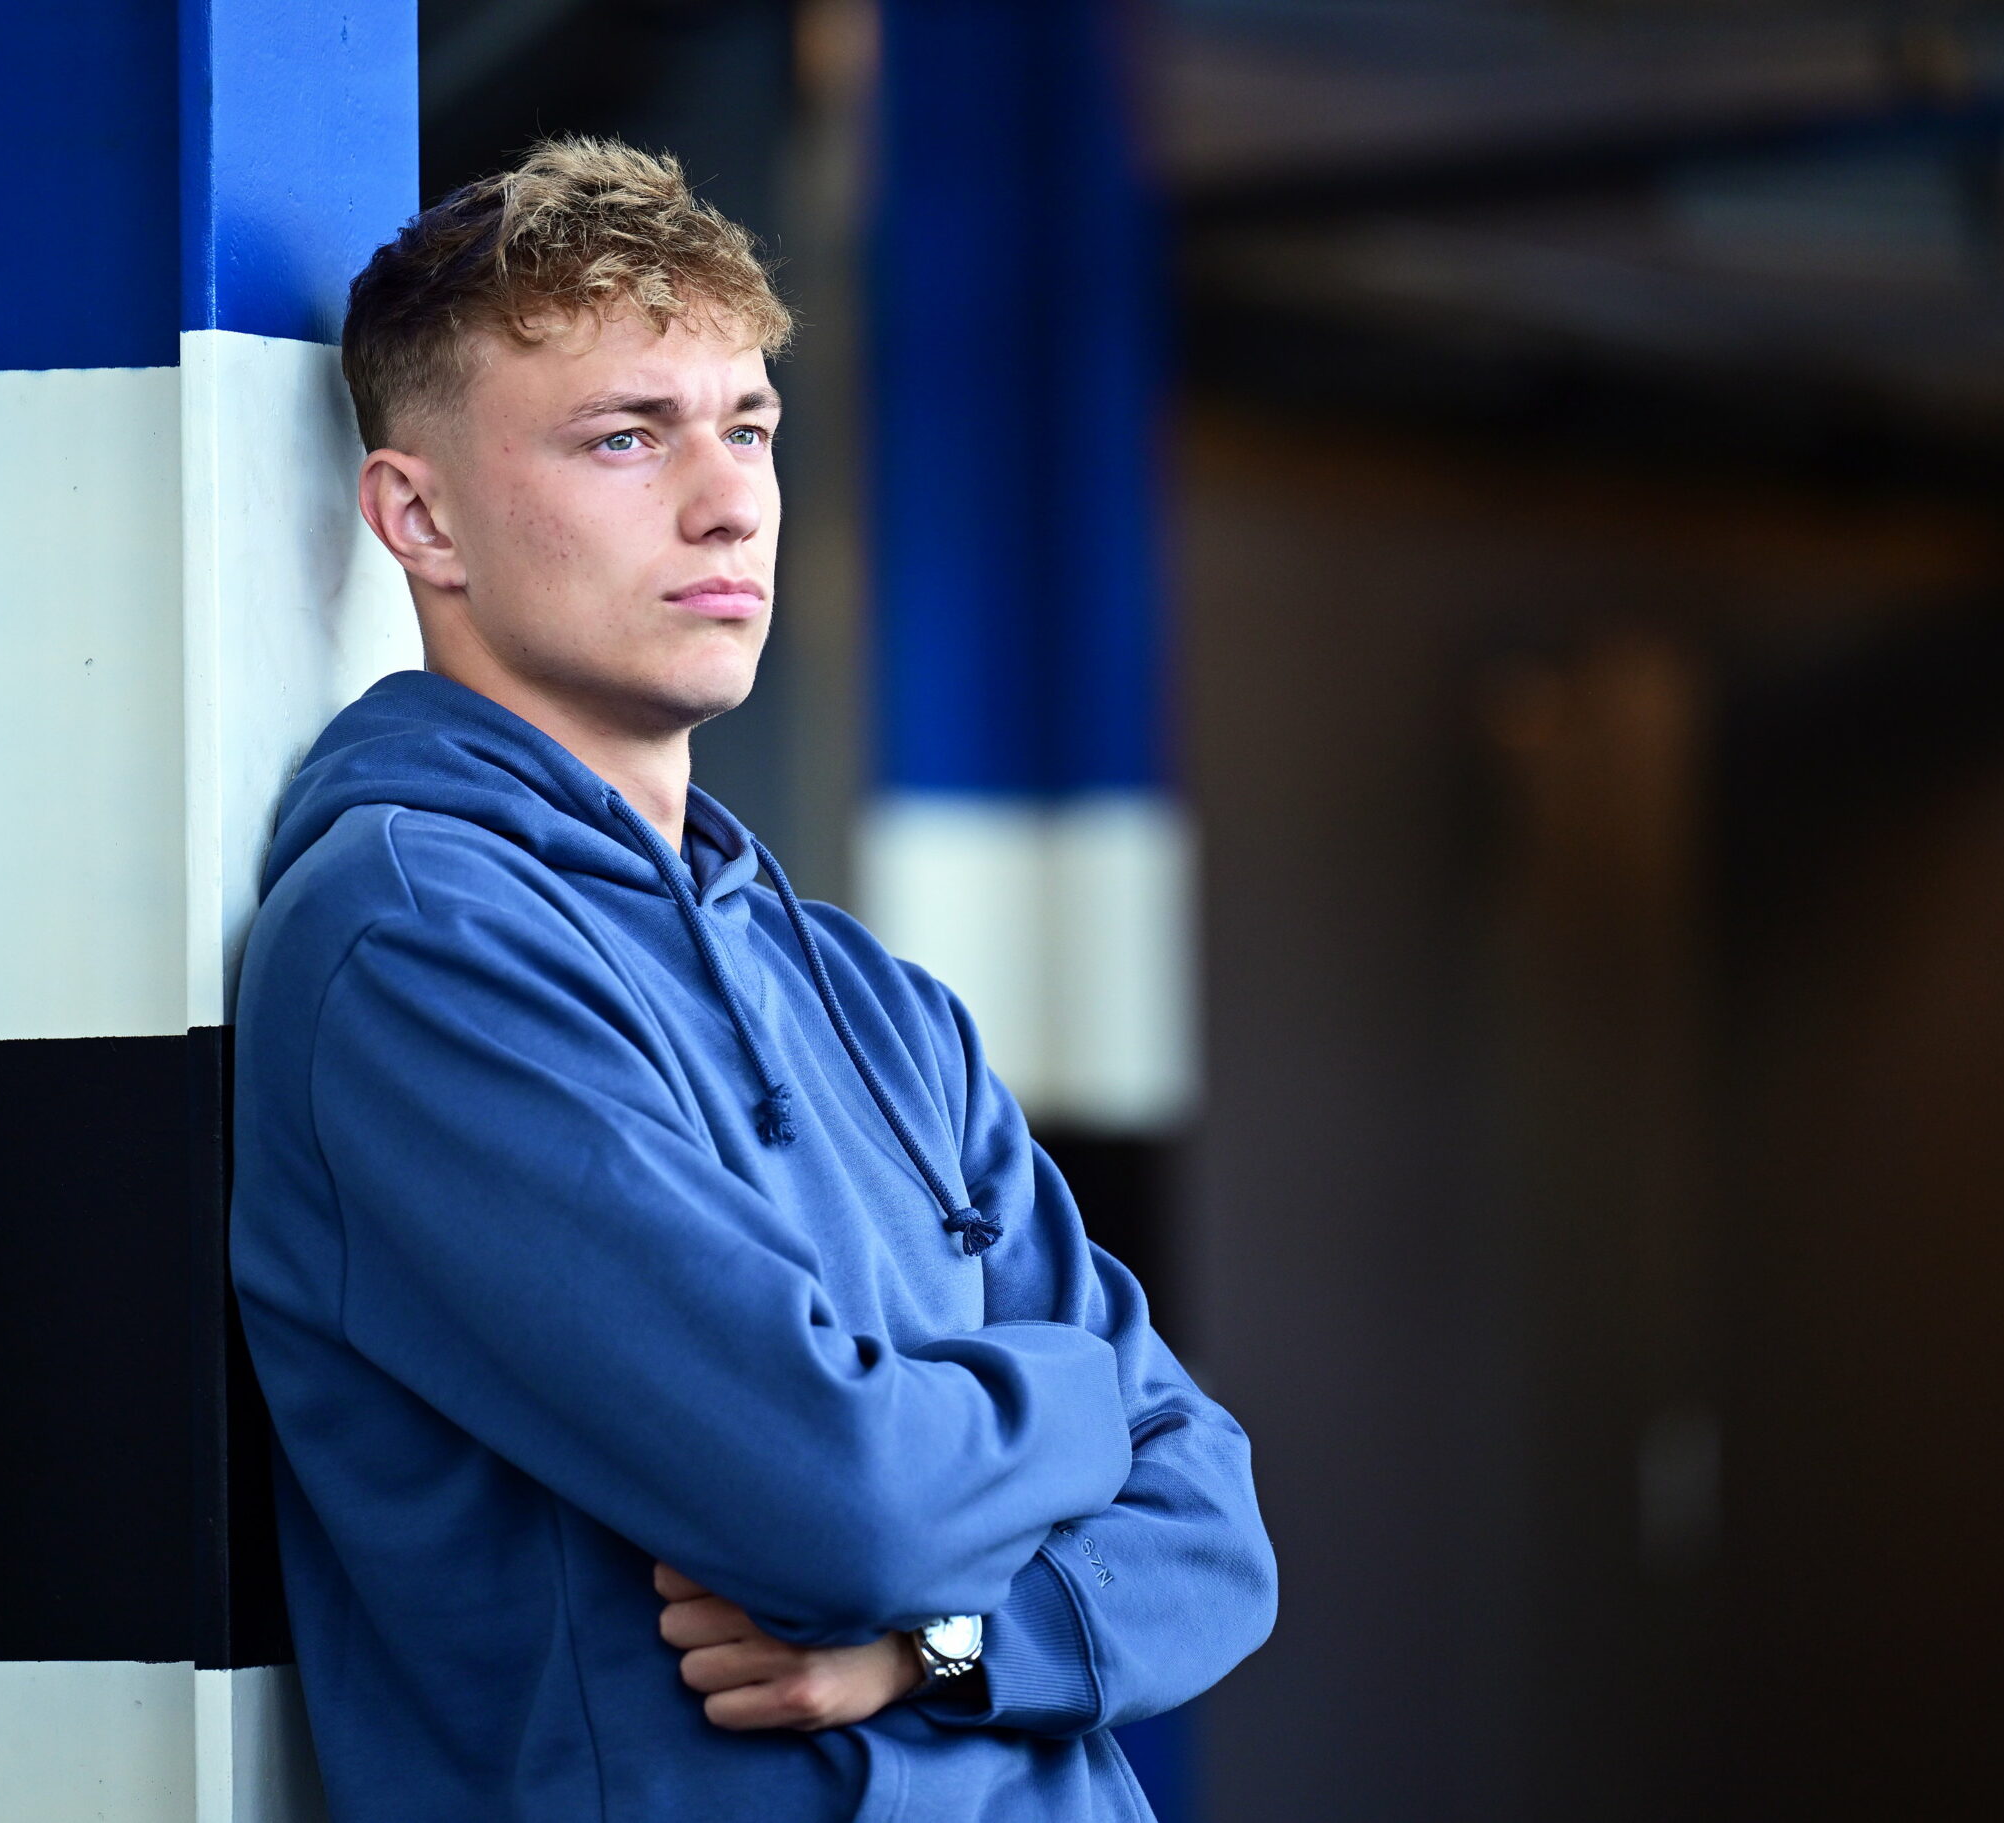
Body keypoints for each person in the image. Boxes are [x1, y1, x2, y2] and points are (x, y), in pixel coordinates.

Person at [229, 137, 1275, 1822]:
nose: (725, 501)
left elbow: (1217, 1530)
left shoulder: (871, 998)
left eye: (749, 427)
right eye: (627, 437)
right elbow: (842, 1500)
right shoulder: (419, 948)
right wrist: (1086, 1393)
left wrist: (934, 1650)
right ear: (419, 517)